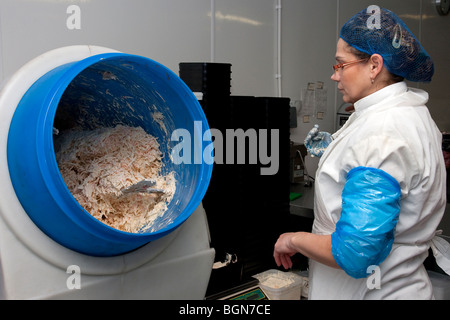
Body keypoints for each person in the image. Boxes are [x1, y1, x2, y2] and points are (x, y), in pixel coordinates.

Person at [274, 6, 449, 299]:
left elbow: (355, 253)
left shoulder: (383, 132)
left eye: (340, 65)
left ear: (374, 65)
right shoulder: (409, 112)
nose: (335, 76)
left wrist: (293, 239)